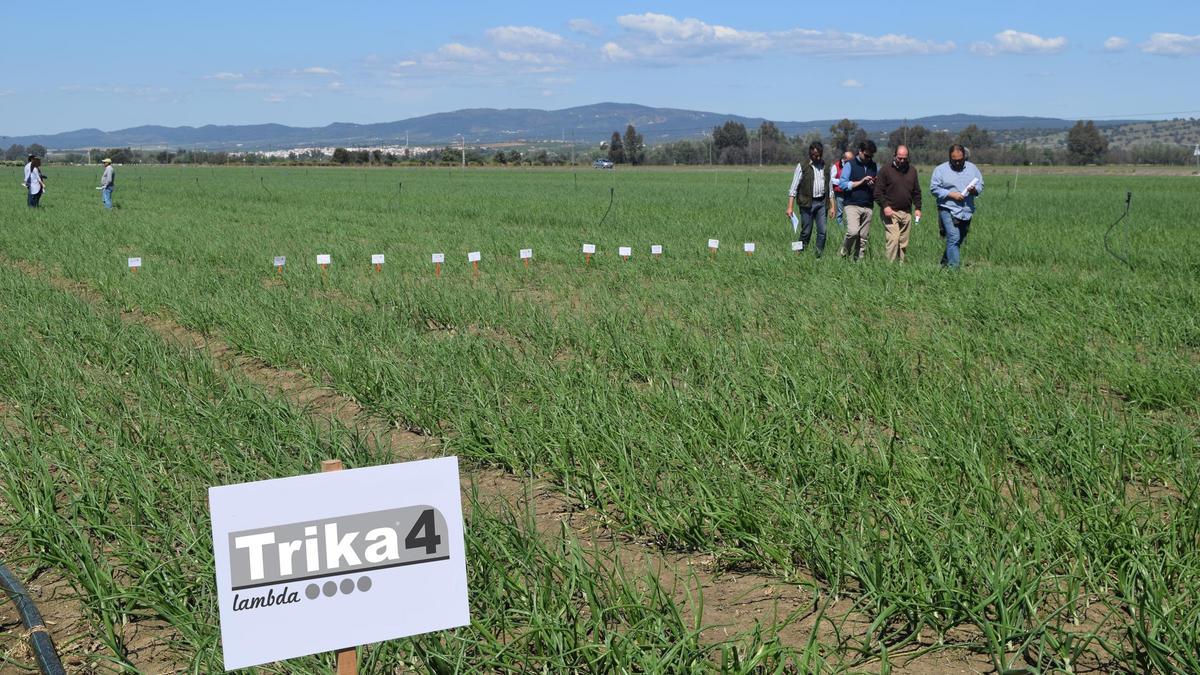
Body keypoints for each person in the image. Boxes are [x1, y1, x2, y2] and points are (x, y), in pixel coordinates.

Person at [930, 144, 984, 268]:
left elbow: (981, 185)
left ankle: (944, 264)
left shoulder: (973, 169)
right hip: (948, 208)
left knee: (959, 240)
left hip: (966, 210)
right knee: (954, 237)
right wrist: (951, 194)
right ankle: (954, 270)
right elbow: (934, 188)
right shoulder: (940, 170)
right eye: (954, 160)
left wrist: (974, 191)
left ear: (964, 157)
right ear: (950, 158)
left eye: (960, 160)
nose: (958, 163)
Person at [874, 145, 922, 263]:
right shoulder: (885, 170)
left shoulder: (912, 171)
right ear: (894, 156)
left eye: (904, 158)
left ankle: (900, 266)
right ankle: (889, 267)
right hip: (891, 212)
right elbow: (877, 192)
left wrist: (918, 208)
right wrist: (885, 206)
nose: (902, 161)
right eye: (899, 158)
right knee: (893, 239)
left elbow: (916, 191)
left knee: (903, 242)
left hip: (906, 212)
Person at [786, 141, 834, 256]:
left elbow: (830, 187)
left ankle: (818, 256)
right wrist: (790, 207)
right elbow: (793, 187)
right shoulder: (802, 166)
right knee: (806, 232)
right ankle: (798, 253)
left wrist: (832, 206)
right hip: (807, 203)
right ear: (810, 154)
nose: (816, 157)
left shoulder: (826, 167)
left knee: (822, 231)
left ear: (821, 154)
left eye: (818, 155)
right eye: (813, 155)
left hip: (822, 203)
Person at [836, 140, 878, 261]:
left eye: (871, 156)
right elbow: (842, 184)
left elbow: (877, 184)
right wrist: (861, 182)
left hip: (868, 205)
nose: (868, 158)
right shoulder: (850, 165)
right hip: (852, 204)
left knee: (863, 237)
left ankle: (858, 261)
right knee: (853, 232)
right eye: (866, 155)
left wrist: (872, 184)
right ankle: (843, 254)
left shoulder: (874, 166)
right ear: (860, 151)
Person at [830, 150, 853, 227]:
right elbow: (831, 179)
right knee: (840, 212)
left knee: (850, 212)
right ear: (845, 159)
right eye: (850, 160)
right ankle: (841, 230)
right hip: (839, 193)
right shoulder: (836, 166)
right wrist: (841, 182)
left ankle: (849, 229)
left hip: (849, 192)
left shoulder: (852, 165)